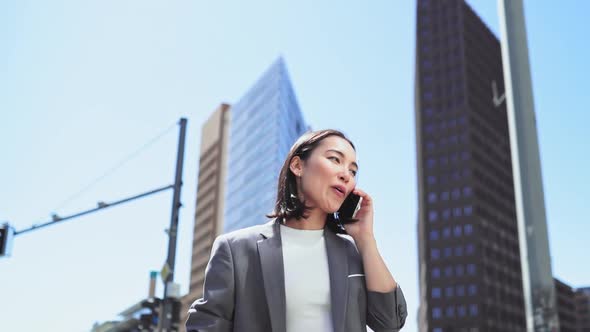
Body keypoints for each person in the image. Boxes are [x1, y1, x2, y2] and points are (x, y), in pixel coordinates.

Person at [186, 129, 407, 332]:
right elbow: (207, 325)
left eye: (353, 170)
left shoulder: (352, 252)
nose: (346, 175)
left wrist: (365, 238)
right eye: (334, 159)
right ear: (298, 166)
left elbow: (390, 323)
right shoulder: (236, 249)